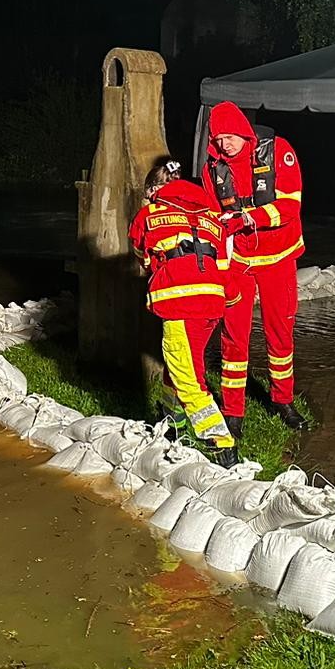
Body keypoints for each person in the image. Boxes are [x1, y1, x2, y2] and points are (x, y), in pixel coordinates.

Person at [202, 101, 306, 437]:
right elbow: (212, 217)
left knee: (280, 331)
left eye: (229, 136)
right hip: (239, 261)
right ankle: (234, 412)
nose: (224, 144)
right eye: (218, 139)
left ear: (244, 131)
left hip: (278, 257)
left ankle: (283, 401)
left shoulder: (278, 152)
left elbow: (290, 206)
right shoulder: (212, 169)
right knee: (233, 336)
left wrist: (251, 218)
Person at [128, 160, 238, 467]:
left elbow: (141, 252)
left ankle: (222, 445)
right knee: (180, 365)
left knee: (188, 377)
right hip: (212, 305)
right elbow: (222, 264)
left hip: (181, 304)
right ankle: (170, 422)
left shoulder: (150, 214)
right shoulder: (211, 217)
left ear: (153, 190)